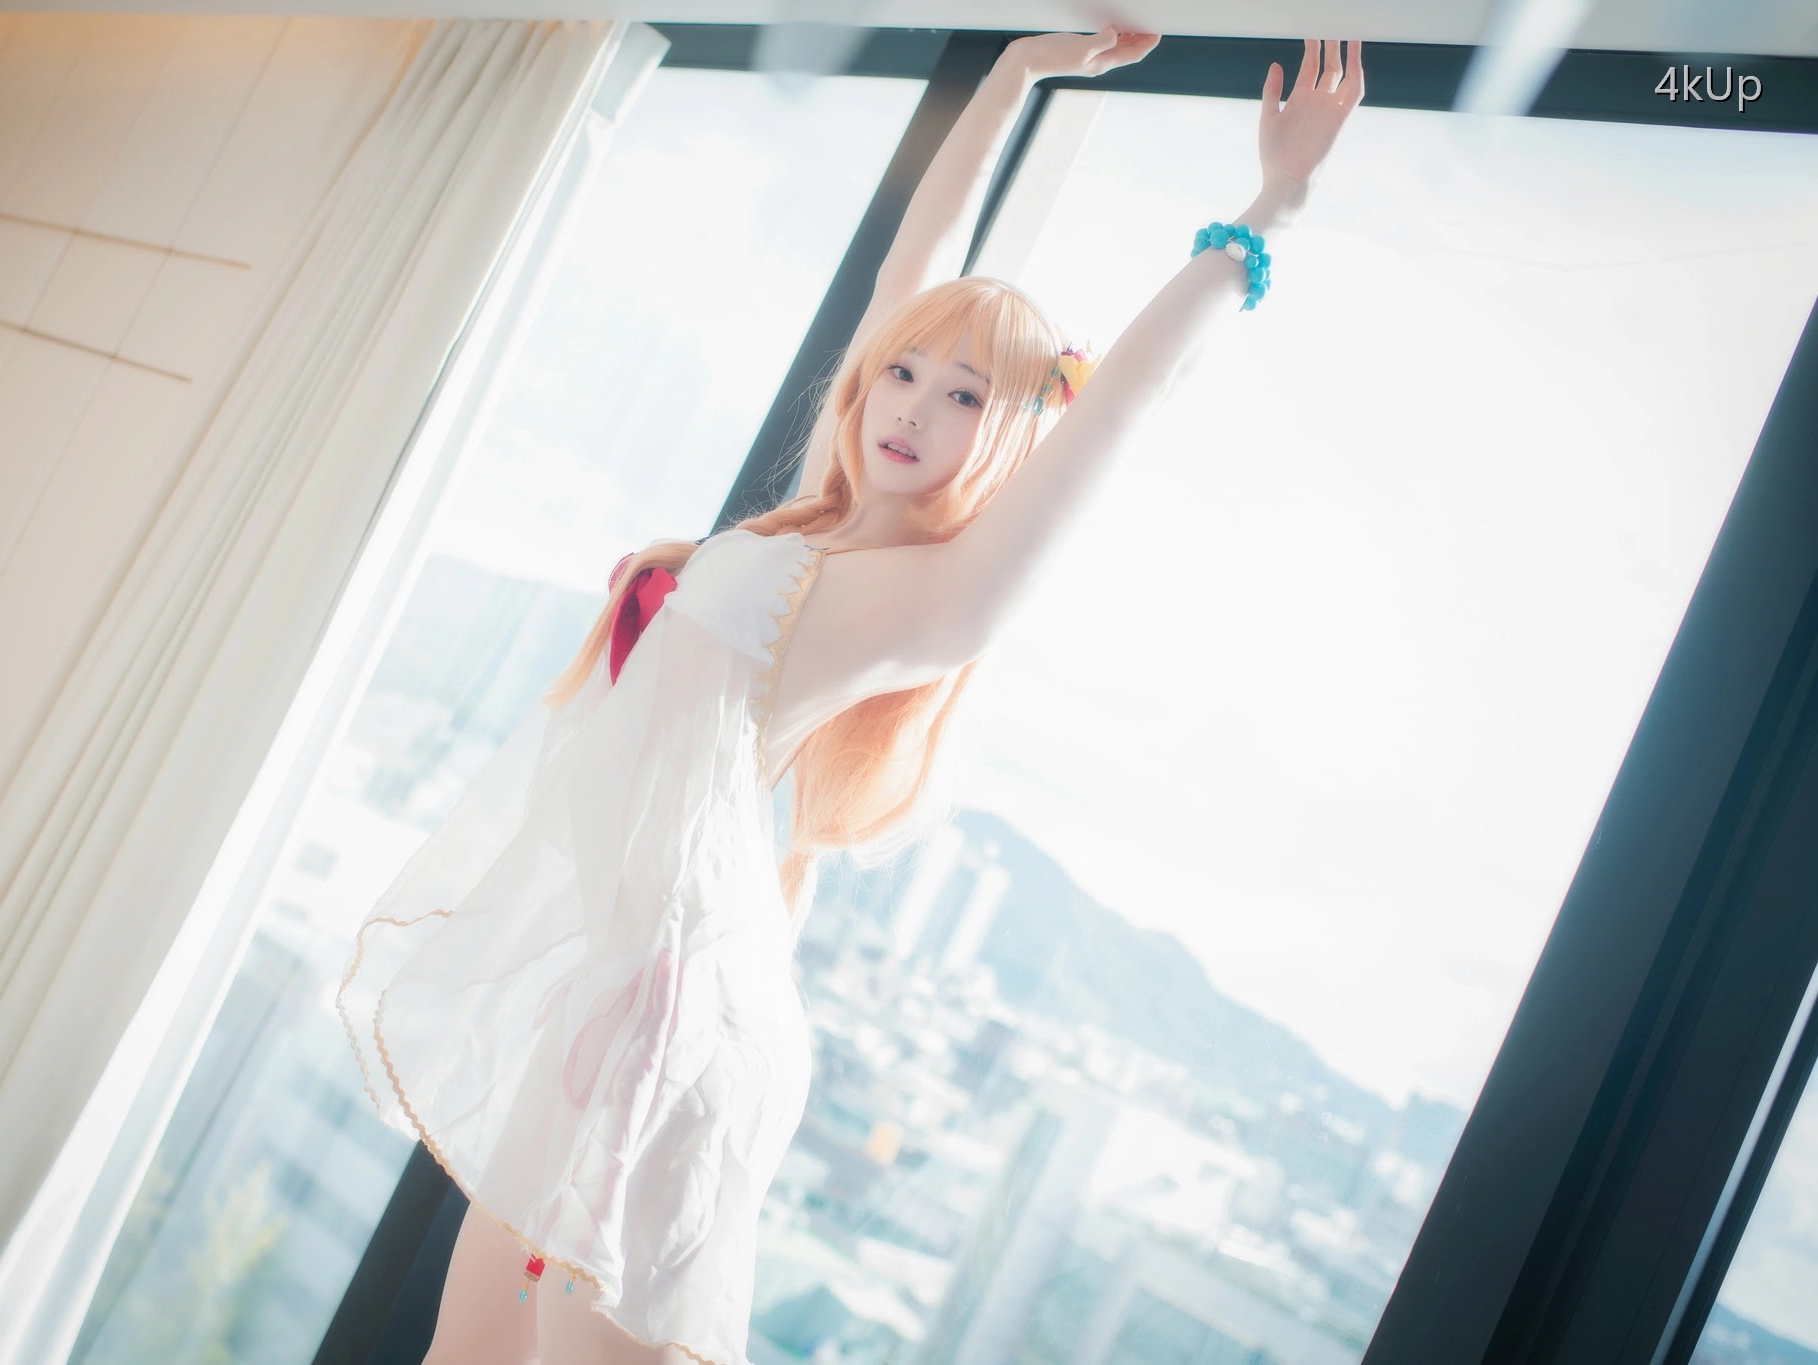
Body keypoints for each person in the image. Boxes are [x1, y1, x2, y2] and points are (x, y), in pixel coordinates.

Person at [334, 26, 1364, 1365]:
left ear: (1006, 436)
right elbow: (908, 267)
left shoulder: (931, 600)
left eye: (966, 396)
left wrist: (1270, 210)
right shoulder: (811, 533)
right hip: (613, 994)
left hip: (669, 1030)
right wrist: (1014, 74)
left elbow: (1122, 403)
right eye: (903, 372)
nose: (914, 407)